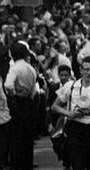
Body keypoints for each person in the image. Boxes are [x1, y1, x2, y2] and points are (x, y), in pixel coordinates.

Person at [6, 42, 39, 170]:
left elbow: (8, 85)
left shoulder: (15, 68)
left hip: (18, 102)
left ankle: (18, 164)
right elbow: (34, 87)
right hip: (29, 101)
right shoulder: (30, 67)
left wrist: (14, 93)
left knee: (17, 135)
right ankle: (27, 163)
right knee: (28, 134)